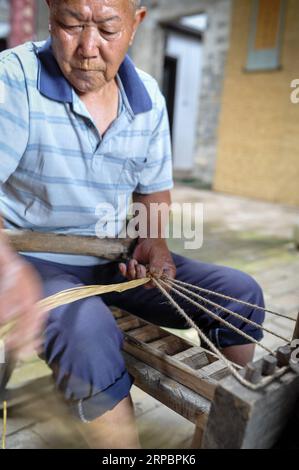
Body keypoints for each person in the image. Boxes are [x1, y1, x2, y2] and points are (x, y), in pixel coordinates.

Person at [0, 0, 265, 448]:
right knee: (86, 330)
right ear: (50, 14)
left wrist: (153, 242)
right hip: (28, 258)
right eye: (71, 24)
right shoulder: (13, 79)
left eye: (106, 28)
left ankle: (217, 438)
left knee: (239, 295)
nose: (87, 47)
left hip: (110, 255)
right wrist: (9, 272)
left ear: (136, 24)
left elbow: (152, 190)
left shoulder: (146, 96)